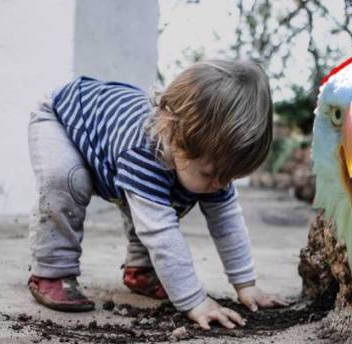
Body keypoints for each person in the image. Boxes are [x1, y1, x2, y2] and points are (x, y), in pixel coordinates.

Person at [26, 59, 288, 329]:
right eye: (211, 174)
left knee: (154, 196)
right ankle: (52, 271)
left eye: (231, 177)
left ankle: (141, 270)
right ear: (174, 134)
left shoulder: (211, 161)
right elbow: (160, 231)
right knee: (68, 179)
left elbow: (228, 223)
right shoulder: (141, 153)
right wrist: (194, 301)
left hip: (112, 146)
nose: (221, 185)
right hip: (63, 118)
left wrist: (246, 285)